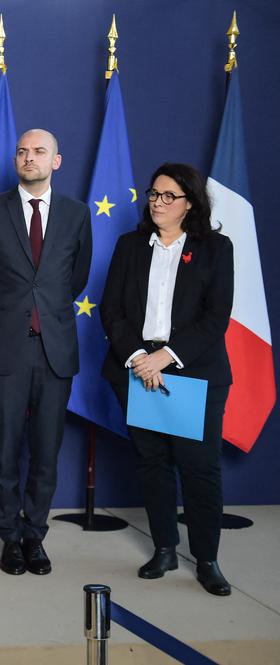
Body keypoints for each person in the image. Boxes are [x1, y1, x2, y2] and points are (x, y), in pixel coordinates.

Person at [100, 163, 234, 596]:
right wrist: (141, 358)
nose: (157, 203)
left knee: (199, 470)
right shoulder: (130, 245)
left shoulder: (216, 248)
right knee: (152, 464)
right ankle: (164, 549)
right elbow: (112, 311)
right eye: (153, 195)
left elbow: (216, 318)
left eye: (168, 196)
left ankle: (208, 559)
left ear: (189, 203)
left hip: (193, 373)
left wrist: (165, 357)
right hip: (139, 370)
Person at [0, 129, 92, 576]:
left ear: (56, 161)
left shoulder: (76, 214)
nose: (29, 157)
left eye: (39, 152)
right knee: (4, 449)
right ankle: (9, 536)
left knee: (45, 449)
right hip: (6, 348)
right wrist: (12, 310)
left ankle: (35, 534)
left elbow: (75, 278)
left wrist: (43, 310)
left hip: (55, 349)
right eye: (22, 151)